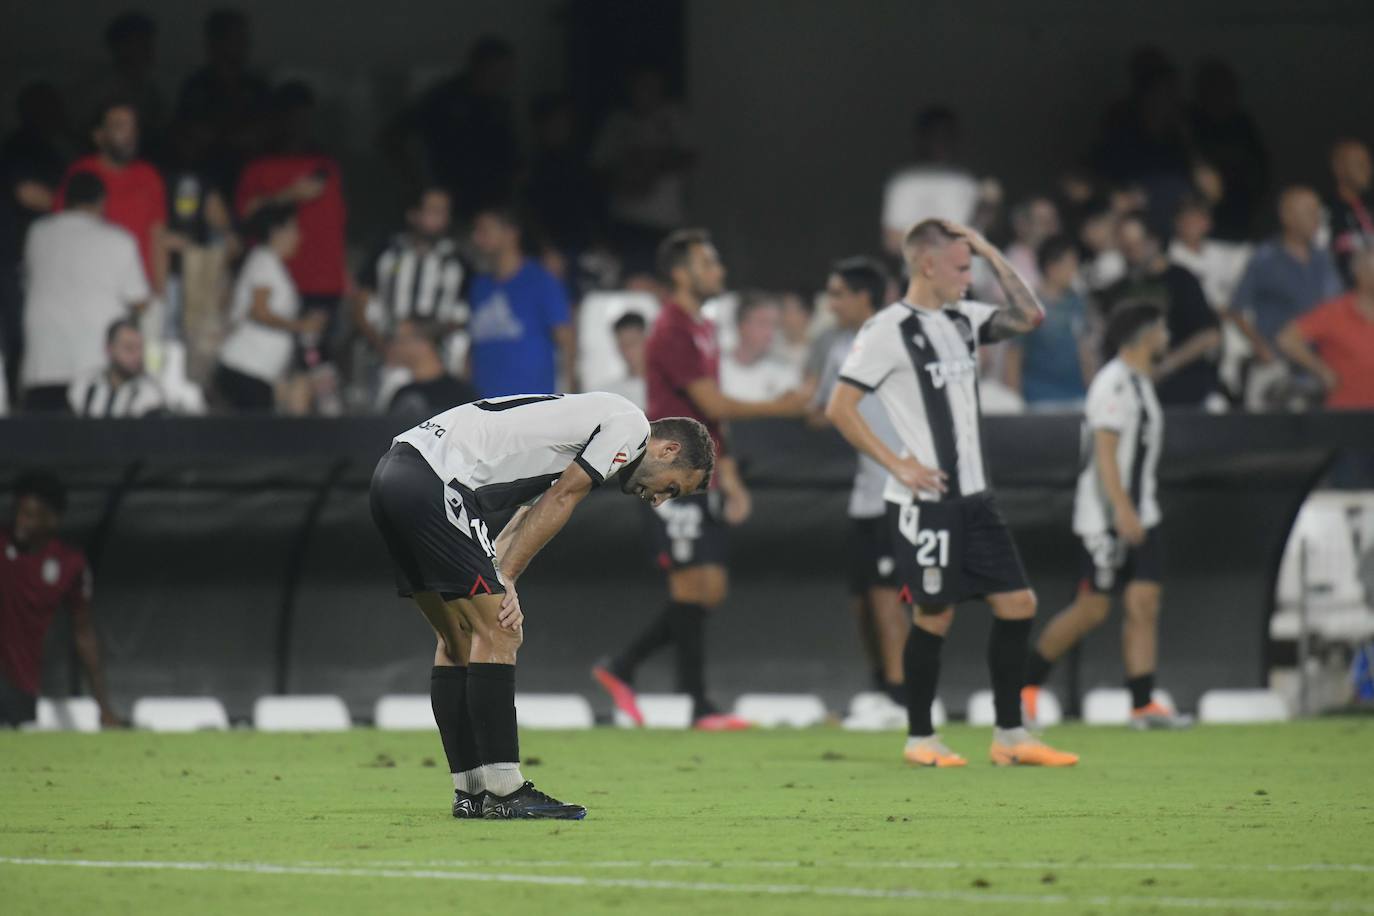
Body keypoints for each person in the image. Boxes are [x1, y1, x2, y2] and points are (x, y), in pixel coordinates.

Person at [372, 391, 714, 818]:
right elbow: (563, 498)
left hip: (392, 473)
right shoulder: (631, 426)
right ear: (668, 450)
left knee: (457, 637)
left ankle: (472, 792)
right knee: (501, 630)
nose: (659, 500)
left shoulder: (583, 427)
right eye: (672, 488)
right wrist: (506, 577)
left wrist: (498, 570)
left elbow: (529, 509)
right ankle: (506, 792)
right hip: (435, 479)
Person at [826, 218, 1079, 768]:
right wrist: (897, 463)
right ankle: (920, 737)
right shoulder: (887, 330)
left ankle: (1010, 735)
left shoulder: (963, 320)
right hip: (926, 503)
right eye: (963, 267)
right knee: (934, 616)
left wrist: (987, 249)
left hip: (976, 499)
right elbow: (839, 408)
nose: (970, 277)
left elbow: (1030, 316)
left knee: (1019, 605)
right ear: (927, 265)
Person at [593, 229, 808, 730]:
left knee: (710, 587)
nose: (719, 271)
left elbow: (708, 419)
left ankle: (623, 667)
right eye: (708, 263)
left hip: (697, 469)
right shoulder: (671, 329)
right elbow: (712, 404)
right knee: (691, 586)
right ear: (680, 273)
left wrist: (728, 476)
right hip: (666, 471)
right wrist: (783, 406)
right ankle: (698, 705)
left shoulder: (703, 327)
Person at [1022, 303, 1192, 730]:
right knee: (1092, 609)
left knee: (1144, 603)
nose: (1166, 336)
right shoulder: (1113, 384)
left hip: (1143, 512)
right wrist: (1121, 509)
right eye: (1161, 328)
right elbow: (1105, 453)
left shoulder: (1140, 382)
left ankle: (1143, 705)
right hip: (1106, 518)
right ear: (1144, 334)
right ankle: (1024, 685)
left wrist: (1137, 510)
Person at [810, 257, 906, 704]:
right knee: (862, 603)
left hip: (901, 491)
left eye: (837, 295)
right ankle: (882, 684)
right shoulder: (839, 350)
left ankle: (902, 695)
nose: (831, 304)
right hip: (865, 495)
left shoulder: (900, 342)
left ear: (864, 297)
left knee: (888, 598)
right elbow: (822, 411)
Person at [235, 80, 346, 398]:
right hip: (277, 281)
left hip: (322, 282)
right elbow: (245, 217)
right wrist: (290, 194)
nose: (299, 123)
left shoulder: (325, 164)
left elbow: (337, 224)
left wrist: (342, 277)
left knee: (319, 367)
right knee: (281, 366)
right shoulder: (260, 166)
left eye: (305, 116)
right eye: (292, 115)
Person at [22, 173, 149, 411]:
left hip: (42, 366)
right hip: (93, 372)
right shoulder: (119, 240)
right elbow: (139, 301)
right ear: (101, 202)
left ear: (66, 200)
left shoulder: (37, 234)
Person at [1, 471, 118, 728]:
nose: (21, 521)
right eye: (18, 512)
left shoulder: (70, 564)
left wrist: (104, 707)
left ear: (52, 519)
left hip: (21, 686)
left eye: (30, 515)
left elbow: (84, 634)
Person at [1101, 213, 1221, 407]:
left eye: (1137, 243)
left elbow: (1209, 335)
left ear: (1154, 241)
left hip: (1185, 389)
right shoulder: (1120, 289)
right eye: (1126, 246)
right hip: (1134, 393)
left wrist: (1165, 367)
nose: (1132, 251)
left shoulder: (1181, 280)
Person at [214, 204, 322, 412]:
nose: (299, 236)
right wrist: (301, 325)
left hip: (260, 372)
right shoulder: (264, 261)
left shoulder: (272, 263)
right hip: (246, 368)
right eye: (293, 229)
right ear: (276, 232)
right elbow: (259, 311)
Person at [57, 98, 168, 295]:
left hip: (139, 292)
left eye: (133, 127)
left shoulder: (149, 175)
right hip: (93, 289)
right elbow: (64, 234)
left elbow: (157, 237)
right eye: (119, 126)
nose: (129, 134)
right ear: (99, 136)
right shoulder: (82, 173)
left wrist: (160, 294)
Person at [592, 66, 696, 274]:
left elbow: (691, 157)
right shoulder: (618, 122)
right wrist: (629, 175)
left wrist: (653, 167)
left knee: (666, 277)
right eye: (641, 86)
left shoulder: (673, 117)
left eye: (652, 87)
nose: (645, 92)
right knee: (633, 277)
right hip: (626, 217)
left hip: (665, 218)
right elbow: (598, 166)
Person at [401, 36, 519, 217]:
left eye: (506, 72)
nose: (503, 79)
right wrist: (416, 183)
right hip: (453, 202)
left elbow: (509, 153)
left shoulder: (499, 105)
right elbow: (395, 138)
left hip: (493, 203)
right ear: (480, 67)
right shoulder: (444, 98)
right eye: (497, 72)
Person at [467, 206, 575, 397]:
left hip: (533, 401)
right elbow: (474, 344)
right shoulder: (479, 286)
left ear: (511, 234)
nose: (477, 238)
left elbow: (566, 340)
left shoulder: (541, 280)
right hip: (484, 402)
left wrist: (570, 395)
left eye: (485, 230)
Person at [355, 187, 467, 357]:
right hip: (387, 354)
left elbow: (464, 316)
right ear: (413, 215)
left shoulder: (457, 262)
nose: (441, 217)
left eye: (444, 211)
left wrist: (425, 334)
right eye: (433, 210)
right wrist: (382, 347)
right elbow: (360, 306)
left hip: (439, 357)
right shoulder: (386, 253)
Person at [1232, 187, 1344, 353]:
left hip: (1326, 354)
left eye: (1317, 212)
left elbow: (1339, 304)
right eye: (1309, 212)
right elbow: (1237, 310)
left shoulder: (1323, 258)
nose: (1317, 219)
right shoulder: (1265, 259)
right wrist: (1260, 347)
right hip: (1282, 358)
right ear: (1287, 217)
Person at [173, 8, 270, 195]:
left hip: (250, 181)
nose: (245, 44)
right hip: (205, 179)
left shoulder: (257, 87)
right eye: (237, 38)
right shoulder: (196, 85)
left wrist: (228, 136)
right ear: (216, 41)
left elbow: (264, 132)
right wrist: (229, 136)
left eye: (245, 38)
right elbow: (192, 133)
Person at [881, 107, 998, 258]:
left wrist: (987, 207)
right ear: (922, 138)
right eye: (935, 135)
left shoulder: (967, 181)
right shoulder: (904, 182)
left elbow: (981, 230)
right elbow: (892, 241)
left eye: (947, 135)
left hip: (971, 270)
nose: (941, 142)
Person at [1277, 248, 1374, 410]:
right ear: (1361, 273)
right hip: (1347, 411)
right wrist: (1322, 371)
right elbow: (1287, 339)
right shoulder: (1335, 312)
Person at [1188, 58, 1268, 242]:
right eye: (1214, 89)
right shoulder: (1191, 123)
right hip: (1200, 221)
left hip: (1238, 217)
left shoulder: (1242, 125)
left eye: (1225, 89)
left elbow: (1259, 170)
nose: (1220, 95)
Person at [1012, 235, 1092, 410]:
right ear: (1052, 267)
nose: (1074, 271)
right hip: (1038, 399)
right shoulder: (1027, 307)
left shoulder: (1078, 304)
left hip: (1077, 396)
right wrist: (1013, 402)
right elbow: (1014, 355)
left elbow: (1085, 352)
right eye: (1070, 265)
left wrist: (1092, 393)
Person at [68, 318, 166, 417]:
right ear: (109, 349)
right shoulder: (85, 385)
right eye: (129, 348)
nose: (137, 356)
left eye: (140, 348)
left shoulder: (150, 393)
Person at [386, 318, 479, 422]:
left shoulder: (461, 395)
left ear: (424, 344)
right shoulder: (402, 393)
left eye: (401, 340)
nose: (393, 346)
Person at [720, 293, 802, 402]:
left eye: (775, 325)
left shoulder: (787, 371)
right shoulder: (717, 368)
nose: (770, 333)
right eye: (763, 323)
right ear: (741, 326)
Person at [1328, 139, 1374, 289]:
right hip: (1345, 294)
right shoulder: (1326, 213)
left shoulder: (1369, 207)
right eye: (1359, 163)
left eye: (1368, 163)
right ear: (1339, 168)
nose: (1367, 169)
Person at [1004, 196, 1061, 289]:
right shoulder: (1010, 264)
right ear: (1023, 225)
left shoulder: (1062, 259)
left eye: (1054, 221)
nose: (1051, 228)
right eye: (1043, 222)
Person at [599, 311, 648, 409]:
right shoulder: (611, 394)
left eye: (633, 342)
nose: (628, 350)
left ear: (647, 340)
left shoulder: (666, 389)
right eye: (623, 345)